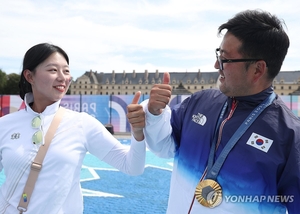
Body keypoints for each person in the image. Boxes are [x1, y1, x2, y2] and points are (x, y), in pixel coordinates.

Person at [127, 9, 300, 214]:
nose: (216, 65)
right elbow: (164, 148)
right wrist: (154, 114)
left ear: (258, 69)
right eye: (218, 54)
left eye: (225, 59)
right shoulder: (200, 101)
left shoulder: (289, 136)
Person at [0, 43, 146, 213]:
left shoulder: (82, 124)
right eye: (53, 70)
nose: (63, 78)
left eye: (67, 71)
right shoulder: (5, 124)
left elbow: (133, 167)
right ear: (29, 76)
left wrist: (137, 133)